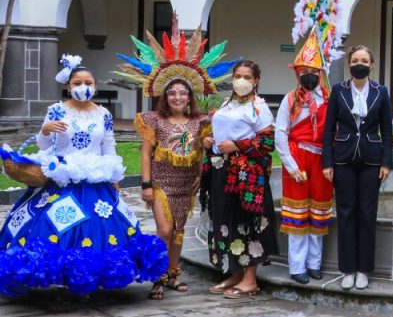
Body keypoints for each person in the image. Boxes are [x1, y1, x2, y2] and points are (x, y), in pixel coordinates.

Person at [0, 55, 167, 298]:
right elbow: (44, 143)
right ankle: (61, 275)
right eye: (77, 83)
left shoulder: (103, 114)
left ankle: (90, 277)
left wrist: (115, 177)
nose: (83, 87)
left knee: (98, 225)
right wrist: (46, 130)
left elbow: (108, 146)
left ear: (95, 86)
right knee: (56, 224)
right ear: (69, 86)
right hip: (62, 177)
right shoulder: (56, 110)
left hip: (96, 180)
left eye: (88, 82)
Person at [121, 26, 233, 300]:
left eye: (183, 93)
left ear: (190, 96)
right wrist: (146, 185)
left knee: (179, 232)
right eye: (172, 93)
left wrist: (199, 174)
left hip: (186, 186)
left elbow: (205, 148)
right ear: (164, 96)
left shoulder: (200, 122)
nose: (178, 97)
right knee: (164, 230)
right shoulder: (154, 121)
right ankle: (157, 277)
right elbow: (145, 154)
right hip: (161, 183)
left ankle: (172, 275)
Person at [202, 59, 278, 299]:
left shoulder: (259, 107)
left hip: (246, 176)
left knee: (247, 221)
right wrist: (209, 141)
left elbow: (267, 143)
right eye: (237, 76)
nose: (241, 81)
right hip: (221, 171)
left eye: (247, 77)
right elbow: (220, 133)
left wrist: (237, 145)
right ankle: (234, 272)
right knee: (225, 219)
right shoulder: (227, 104)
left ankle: (249, 279)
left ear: (256, 81)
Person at [322, 46, 393, 290]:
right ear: (349, 63)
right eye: (355, 60)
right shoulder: (338, 90)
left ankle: (363, 269)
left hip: (372, 159)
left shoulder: (380, 91)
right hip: (343, 159)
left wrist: (387, 162)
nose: (359, 64)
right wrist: (327, 162)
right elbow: (329, 128)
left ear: (371, 64)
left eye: (364, 60)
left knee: (367, 212)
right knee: (345, 212)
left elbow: (387, 127)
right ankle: (348, 269)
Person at [276, 33, 334, 284]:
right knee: (298, 215)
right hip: (298, 156)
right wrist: (291, 165)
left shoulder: (330, 100)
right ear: (297, 74)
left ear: (320, 73)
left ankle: (314, 264)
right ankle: (297, 266)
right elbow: (280, 133)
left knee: (318, 213)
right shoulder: (290, 100)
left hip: (321, 160)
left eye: (314, 70)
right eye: (304, 71)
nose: (309, 75)